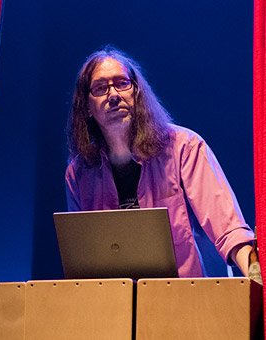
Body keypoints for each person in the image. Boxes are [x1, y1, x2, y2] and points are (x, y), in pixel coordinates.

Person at [65, 47, 255, 277]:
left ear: (137, 92)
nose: (113, 95)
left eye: (122, 83)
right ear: (86, 106)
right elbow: (83, 261)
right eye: (100, 88)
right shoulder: (79, 173)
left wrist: (256, 275)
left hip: (187, 299)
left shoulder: (184, 147)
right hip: (117, 306)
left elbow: (229, 229)